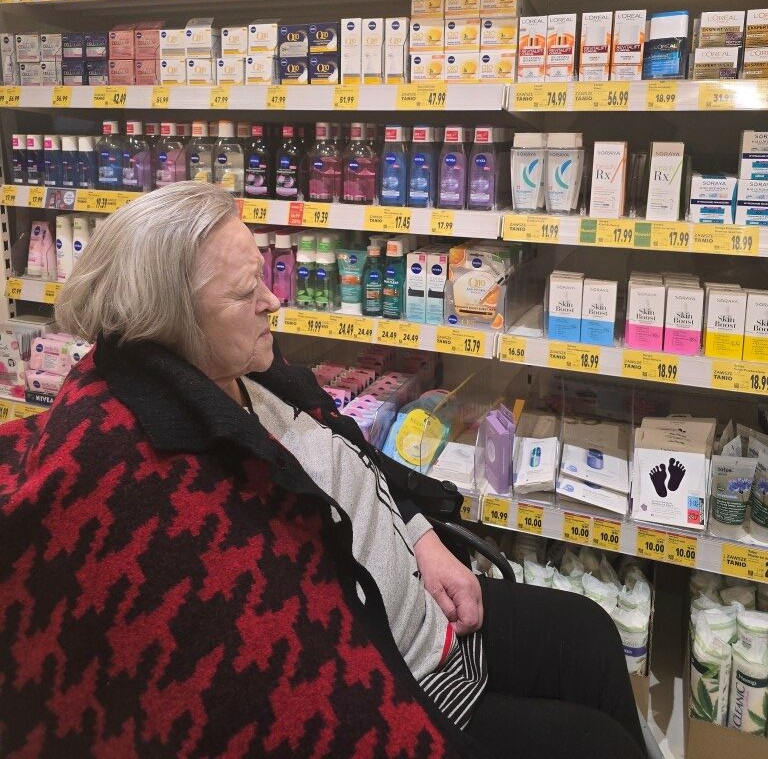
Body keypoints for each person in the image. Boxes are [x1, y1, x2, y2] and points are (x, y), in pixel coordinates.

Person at [0, 183, 646, 759]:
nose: (274, 300)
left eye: (264, 276)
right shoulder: (162, 469)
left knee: (588, 630)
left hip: (429, 604)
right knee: (598, 745)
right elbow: (278, 682)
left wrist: (421, 536)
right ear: (169, 319)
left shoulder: (245, 369)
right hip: (404, 677)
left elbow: (350, 456)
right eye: (245, 292)